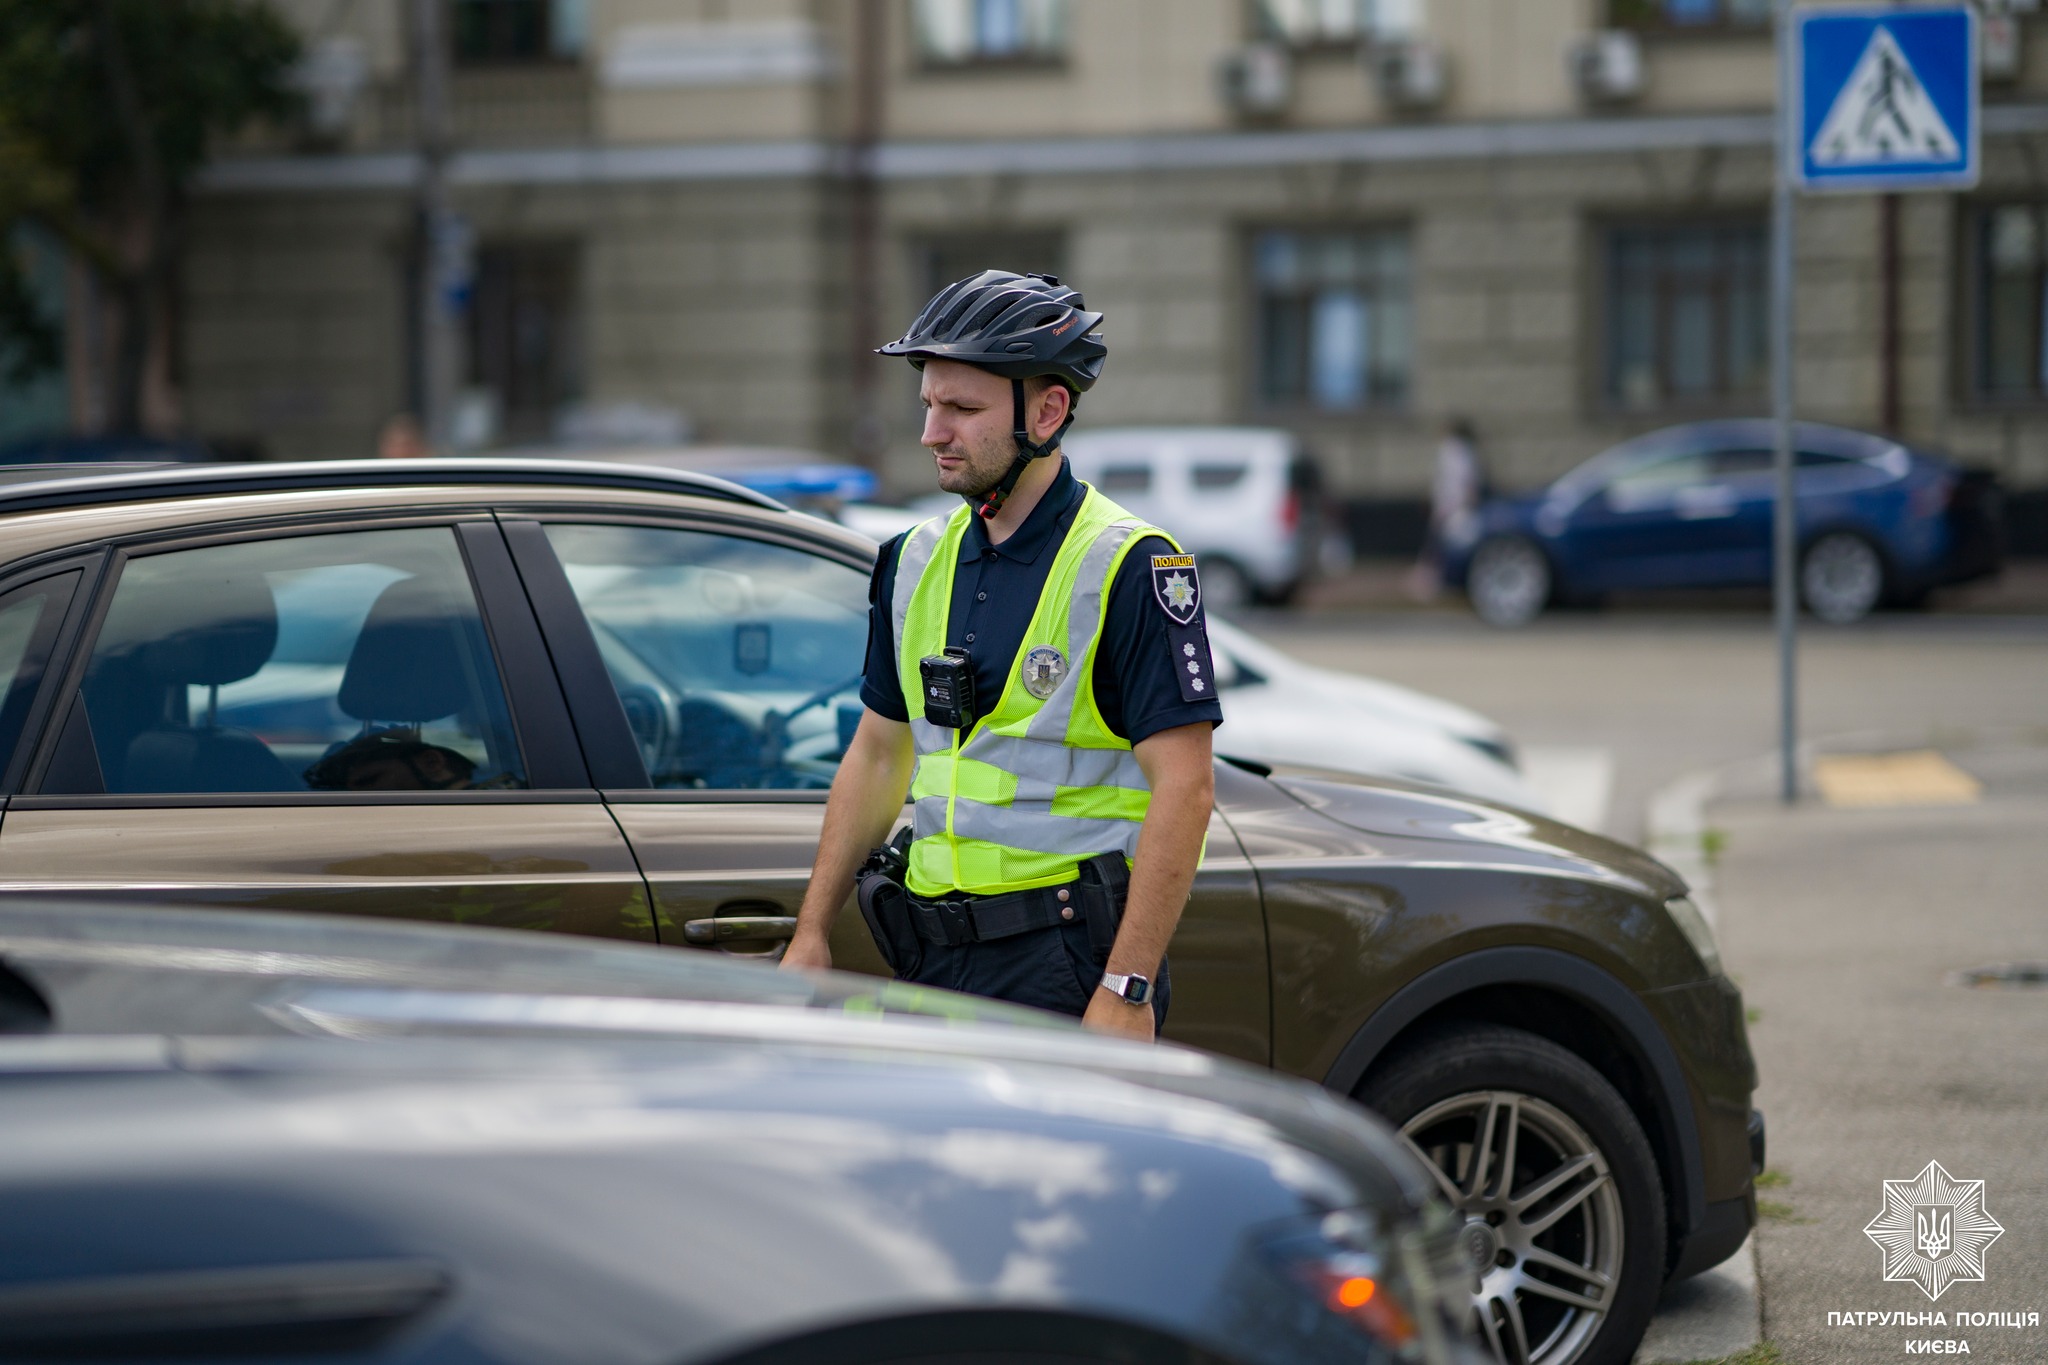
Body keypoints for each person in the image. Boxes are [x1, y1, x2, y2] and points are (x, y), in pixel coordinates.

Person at [779, 270, 1221, 1041]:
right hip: (930, 956)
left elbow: (1185, 787)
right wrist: (811, 930)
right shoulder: (912, 559)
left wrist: (1128, 984)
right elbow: (880, 756)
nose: (932, 433)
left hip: (1066, 962)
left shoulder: (1130, 564)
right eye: (929, 405)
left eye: (962, 408)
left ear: (1047, 411)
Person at [1407, 415, 1487, 602]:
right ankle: (1435, 579)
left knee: (1445, 545)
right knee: (1441, 544)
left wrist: (1446, 505)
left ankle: (1435, 581)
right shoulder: (1465, 451)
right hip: (1454, 506)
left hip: (1452, 507)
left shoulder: (1452, 451)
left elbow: (1456, 483)